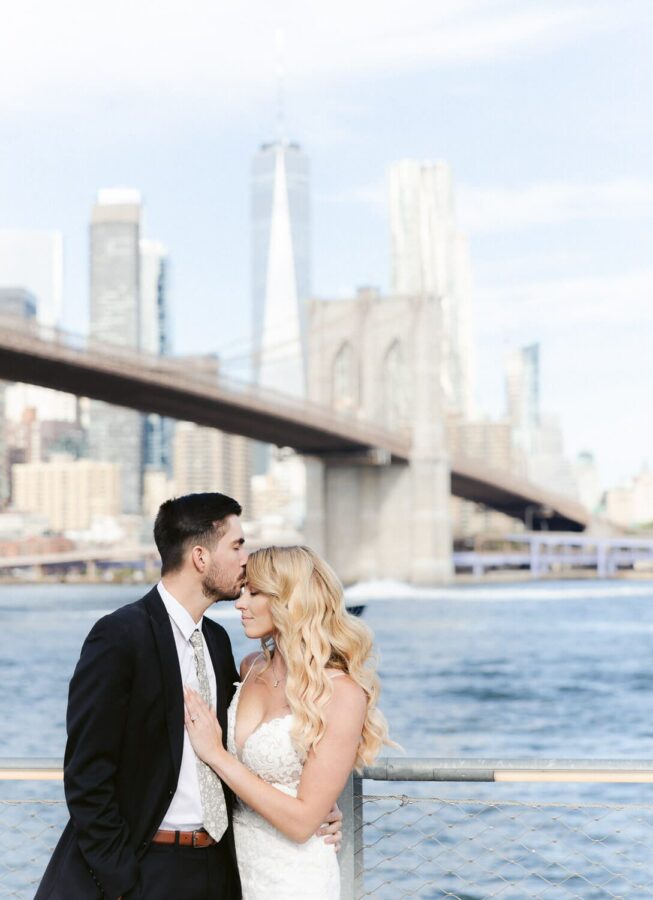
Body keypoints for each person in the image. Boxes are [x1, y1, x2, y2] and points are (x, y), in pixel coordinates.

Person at [36, 493, 341, 900]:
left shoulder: (217, 642)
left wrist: (314, 804)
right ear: (200, 557)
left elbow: (234, 751)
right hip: (146, 866)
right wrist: (123, 882)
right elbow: (86, 775)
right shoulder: (120, 636)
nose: (246, 559)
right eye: (236, 545)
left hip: (219, 869)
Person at [183, 545, 391, 900]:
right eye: (242, 590)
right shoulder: (249, 668)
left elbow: (301, 822)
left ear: (290, 600)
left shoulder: (341, 693)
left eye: (254, 592)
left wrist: (216, 755)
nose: (239, 603)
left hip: (296, 878)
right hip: (233, 869)